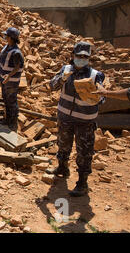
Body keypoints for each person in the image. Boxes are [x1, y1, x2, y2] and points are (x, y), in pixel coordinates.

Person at [47, 42, 106, 197]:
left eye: (84, 57)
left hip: (85, 121)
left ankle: (82, 182)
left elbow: (102, 98)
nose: (81, 59)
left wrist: (96, 97)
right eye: (78, 56)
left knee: (84, 152)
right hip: (65, 117)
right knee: (63, 144)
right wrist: (61, 79)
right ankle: (62, 167)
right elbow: (51, 85)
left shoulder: (95, 75)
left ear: (89, 58)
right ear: (73, 55)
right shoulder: (66, 70)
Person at [0, 28, 24, 132]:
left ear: (11, 38)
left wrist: (9, 76)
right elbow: (2, 51)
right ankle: (7, 120)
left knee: (12, 102)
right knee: (6, 100)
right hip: (5, 81)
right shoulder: (8, 47)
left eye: (6, 35)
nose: (5, 37)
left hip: (11, 82)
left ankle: (13, 123)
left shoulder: (16, 52)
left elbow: (17, 66)